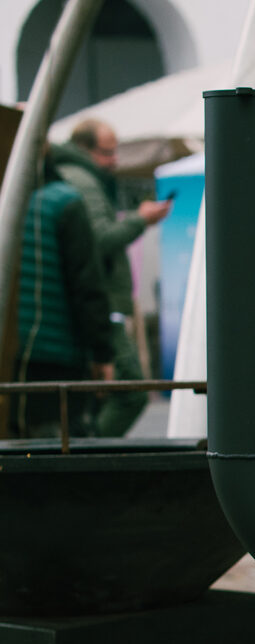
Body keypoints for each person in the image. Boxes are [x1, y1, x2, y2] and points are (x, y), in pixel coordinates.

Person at [50, 119, 170, 437]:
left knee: (101, 395)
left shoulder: (82, 178)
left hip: (97, 304)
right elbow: (100, 239)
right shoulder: (83, 182)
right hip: (99, 304)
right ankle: (89, 455)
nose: (114, 160)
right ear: (83, 149)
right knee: (130, 391)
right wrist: (139, 220)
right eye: (107, 152)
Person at [12, 153, 114, 437]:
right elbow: (86, 284)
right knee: (51, 449)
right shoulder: (63, 201)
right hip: (55, 354)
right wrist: (102, 352)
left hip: (15, 354)